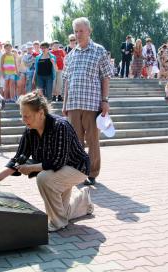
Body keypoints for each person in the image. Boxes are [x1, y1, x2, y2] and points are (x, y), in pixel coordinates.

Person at [0, 92, 93, 232]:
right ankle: (84, 200)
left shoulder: (60, 126)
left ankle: (57, 223)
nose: (23, 119)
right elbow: (18, 159)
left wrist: (31, 168)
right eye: (22, 115)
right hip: (59, 170)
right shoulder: (30, 130)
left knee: (44, 178)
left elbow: (57, 162)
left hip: (77, 168)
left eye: (26, 115)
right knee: (61, 211)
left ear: (40, 113)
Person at [62, 17, 114, 186]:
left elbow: (105, 77)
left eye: (81, 31)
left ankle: (92, 173)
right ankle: (77, 172)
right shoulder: (70, 55)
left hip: (92, 104)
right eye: (75, 31)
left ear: (89, 31)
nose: (78, 34)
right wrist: (65, 104)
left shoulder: (99, 51)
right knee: (75, 142)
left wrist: (105, 100)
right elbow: (67, 81)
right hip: (74, 105)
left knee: (92, 141)